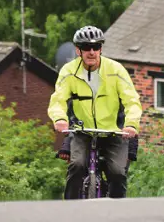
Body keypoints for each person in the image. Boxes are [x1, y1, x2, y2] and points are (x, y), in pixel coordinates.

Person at [48, 25, 142, 199]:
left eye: (96, 47)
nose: (91, 52)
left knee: (117, 173)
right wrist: (60, 119)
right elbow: (58, 100)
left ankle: (117, 212)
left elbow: (132, 101)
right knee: (76, 166)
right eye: (86, 47)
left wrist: (131, 124)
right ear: (78, 50)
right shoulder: (68, 71)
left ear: (101, 49)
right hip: (82, 132)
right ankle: (69, 211)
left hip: (113, 132)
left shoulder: (116, 70)